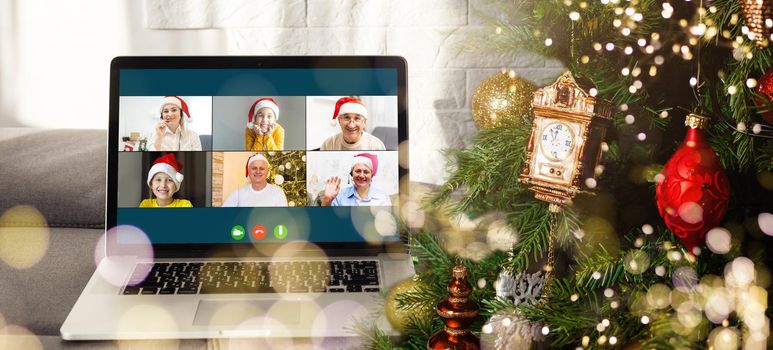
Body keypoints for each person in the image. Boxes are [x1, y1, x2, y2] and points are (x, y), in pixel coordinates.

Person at [321, 153, 391, 206]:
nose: (361, 175)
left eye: (366, 172)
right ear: (351, 174)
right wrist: (327, 199)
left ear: (372, 176)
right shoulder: (340, 195)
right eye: (358, 171)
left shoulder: (382, 197)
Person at [222, 153, 288, 207]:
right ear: (248, 171)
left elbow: (284, 219)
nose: (258, 171)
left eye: (262, 168)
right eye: (254, 168)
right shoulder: (238, 193)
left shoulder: (277, 192)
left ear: (267, 172)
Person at [320, 96, 386, 150]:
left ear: (364, 122)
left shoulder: (376, 146)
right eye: (346, 118)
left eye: (357, 118)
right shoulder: (328, 145)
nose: (351, 125)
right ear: (339, 120)